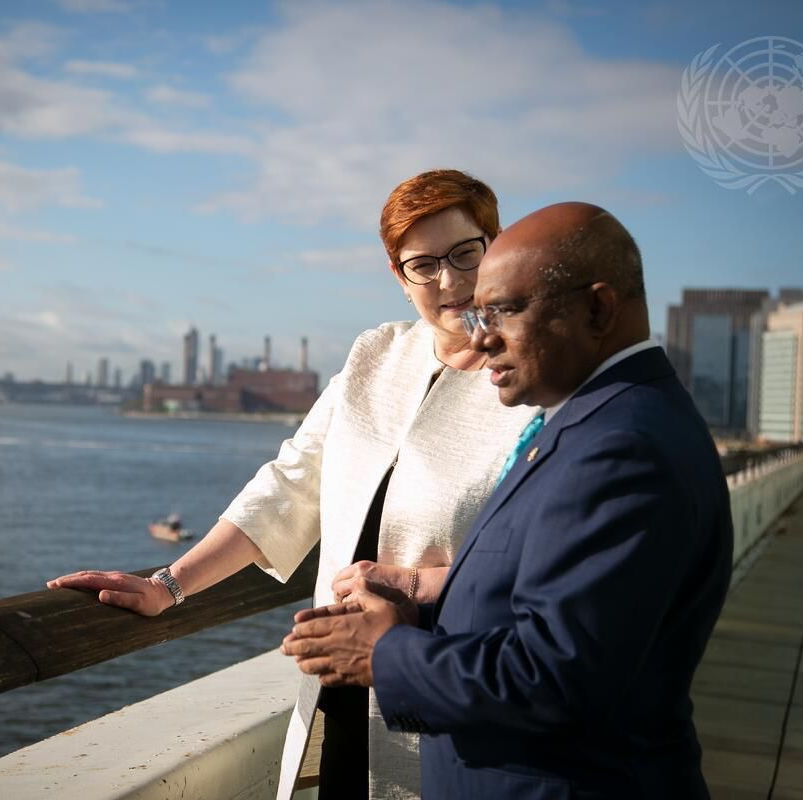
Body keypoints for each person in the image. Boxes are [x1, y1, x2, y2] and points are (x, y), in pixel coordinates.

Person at [46, 170, 536, 799]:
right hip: (342, 677)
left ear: (496, 245)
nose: (449, 281)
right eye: (423, 264)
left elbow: (537, 552)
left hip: (451, 677)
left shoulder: (534, 383)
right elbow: (290, 485)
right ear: (398, 275)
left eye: (466, 253)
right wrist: (167, 585)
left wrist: (419, 588)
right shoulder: (376, 355)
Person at [282, 202, 733, 798]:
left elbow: (555, 677)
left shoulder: (621, 449)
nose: (482, 336)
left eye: (505, 311)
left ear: (598, 308)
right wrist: (422, 608)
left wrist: (383, 652)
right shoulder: (592, 422)